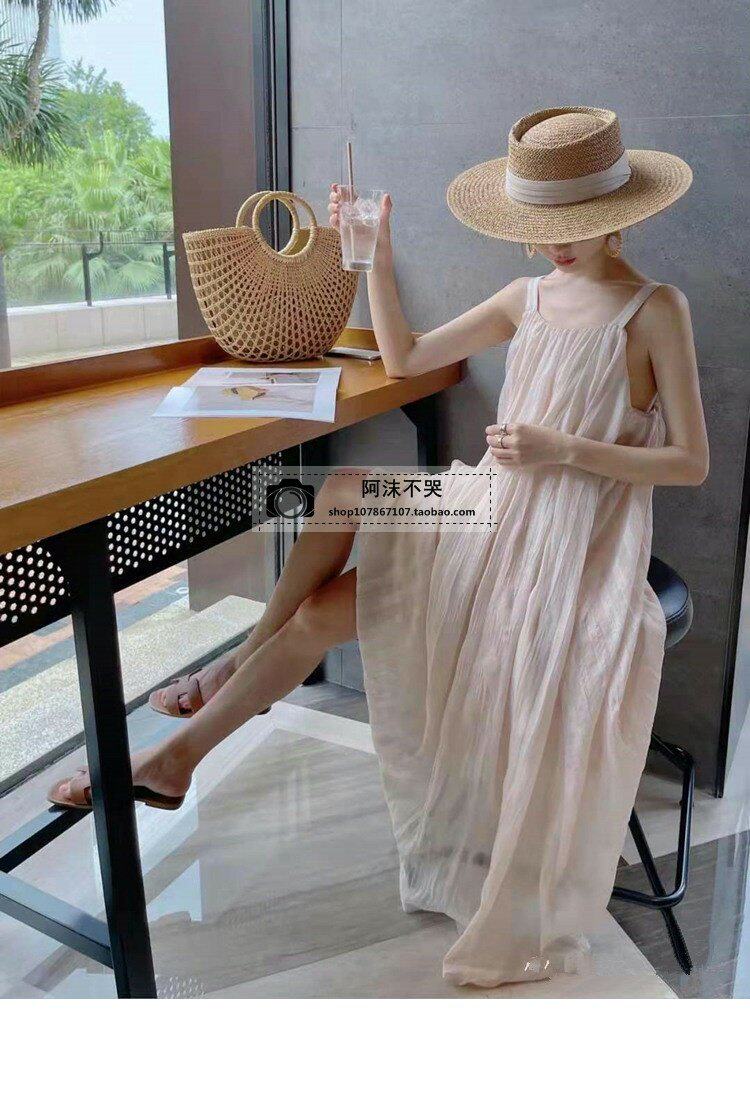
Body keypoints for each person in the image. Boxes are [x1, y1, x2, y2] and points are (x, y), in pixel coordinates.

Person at [49, 106, 708, 987]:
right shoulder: (526, 297)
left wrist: (564, 449)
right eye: (539, 225)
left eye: (570, 226)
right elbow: (403, 359)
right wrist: (374, 260)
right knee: (337, 493)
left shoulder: (655, 310)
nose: (550, 245)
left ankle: (184, 742)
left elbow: (690, 463)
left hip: (566, 542)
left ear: (617, 214)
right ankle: (216, 698)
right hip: (484, 509)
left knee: (323, 607)